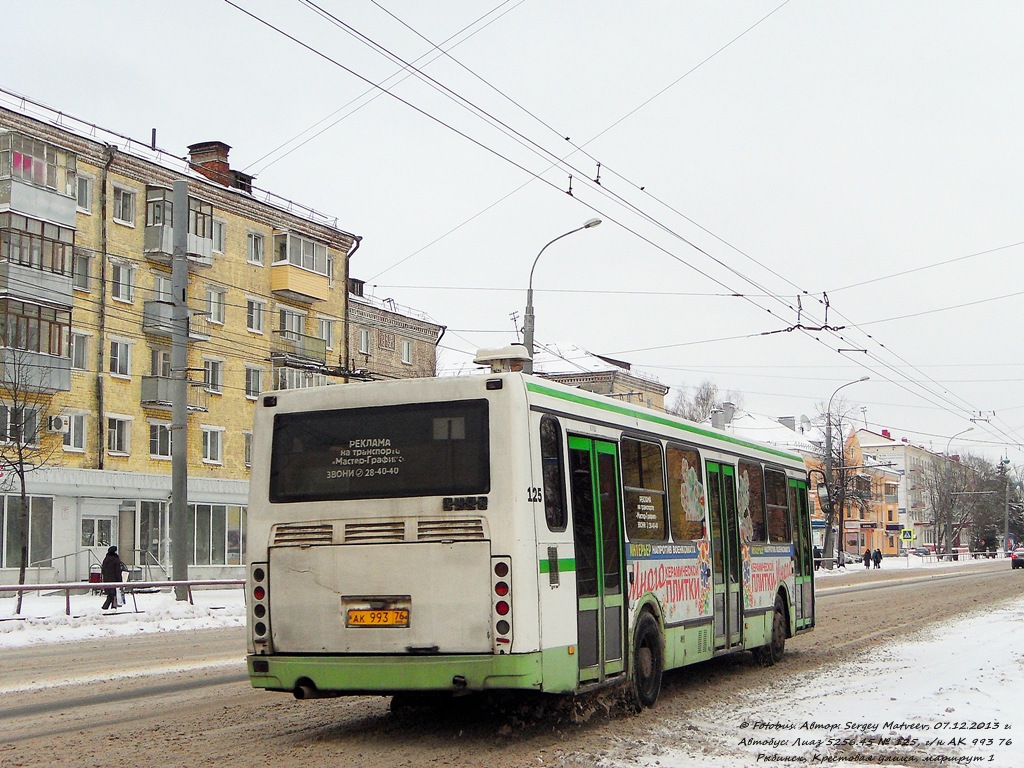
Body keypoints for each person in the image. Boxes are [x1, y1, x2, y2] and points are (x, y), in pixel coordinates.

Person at [100, 545, 127, 610]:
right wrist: (120, 582)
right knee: (112, 595)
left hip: (107, 580)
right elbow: (117, 571)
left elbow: (103, 570)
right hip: (114, 580)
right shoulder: (115, 560)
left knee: (112, 595)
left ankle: (113, 608)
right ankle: (107, 608)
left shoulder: (106, 559)